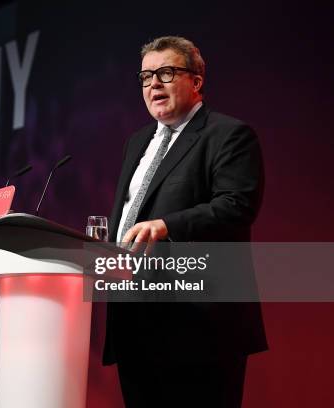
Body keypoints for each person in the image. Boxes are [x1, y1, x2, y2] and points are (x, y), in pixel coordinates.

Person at [103, 36, 267, 407]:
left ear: (196, 81)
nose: (154, 85)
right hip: (135, 320)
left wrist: (166, 226)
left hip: (199, 326)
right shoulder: (137, 142)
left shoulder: (227, 134)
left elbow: (237, 205)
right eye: (146, 77)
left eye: (166, 73)